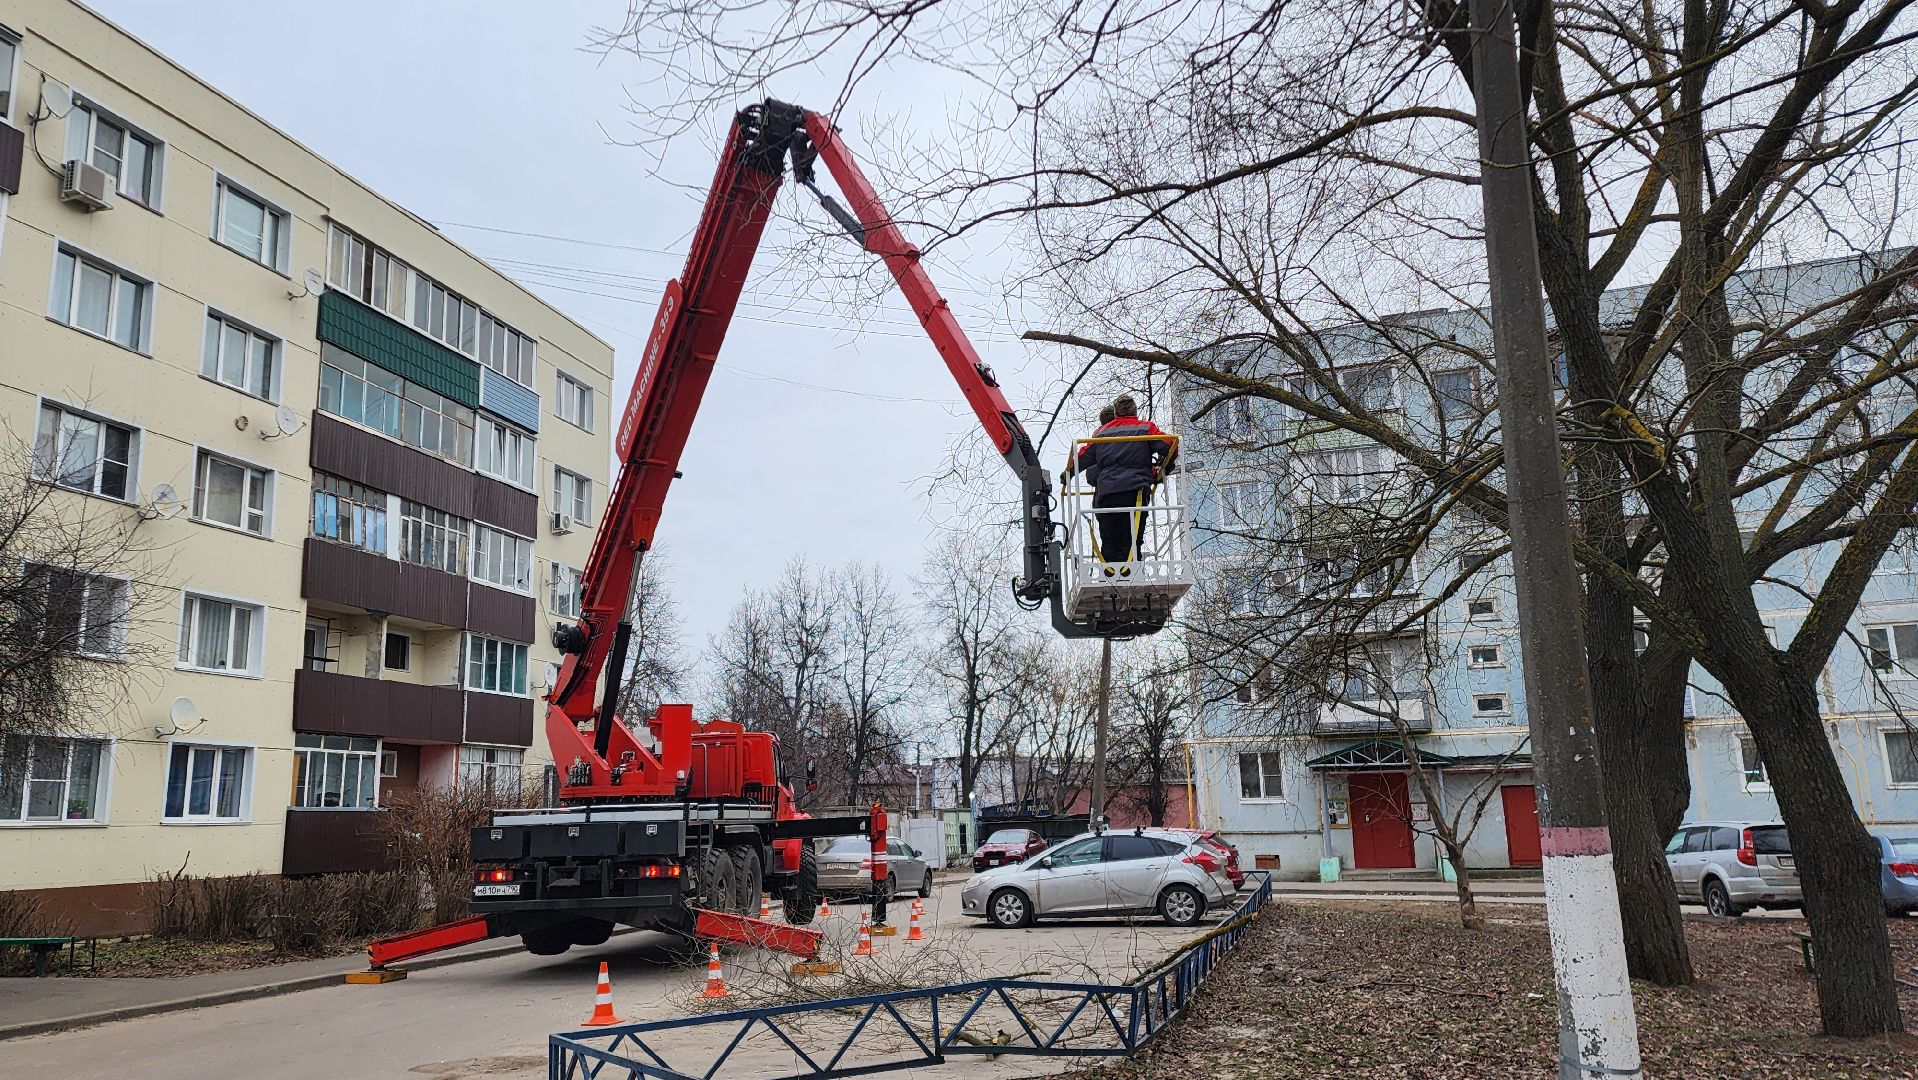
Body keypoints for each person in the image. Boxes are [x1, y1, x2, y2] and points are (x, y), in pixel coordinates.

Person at [1063, 395, 1177, 575]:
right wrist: (1166, 463)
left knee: (1110, 539)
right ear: (1135, 410)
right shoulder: (1145, 428)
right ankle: (1131, 576)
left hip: (1108, 495)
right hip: (1136, 492)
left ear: (1116, 412)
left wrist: (1067, 472)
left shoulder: (1102, 433)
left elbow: (1082, 458)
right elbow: (1170, 444)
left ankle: (1109, 577)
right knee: (1132, 539)